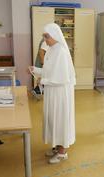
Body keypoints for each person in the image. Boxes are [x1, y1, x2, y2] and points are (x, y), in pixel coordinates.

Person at [29, 23, 76, 164]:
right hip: (52, 91)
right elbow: (48, 71)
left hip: (60, 93)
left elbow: (60, 78)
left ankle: (62, 152)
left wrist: (42, 79)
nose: (45, 40)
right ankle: (57, 147)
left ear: (55, 35)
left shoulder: (61, 51)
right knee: (52, 119)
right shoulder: (51, 50)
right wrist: (35, 70)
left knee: (60, 120)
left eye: (47, 36)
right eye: (44, 36)